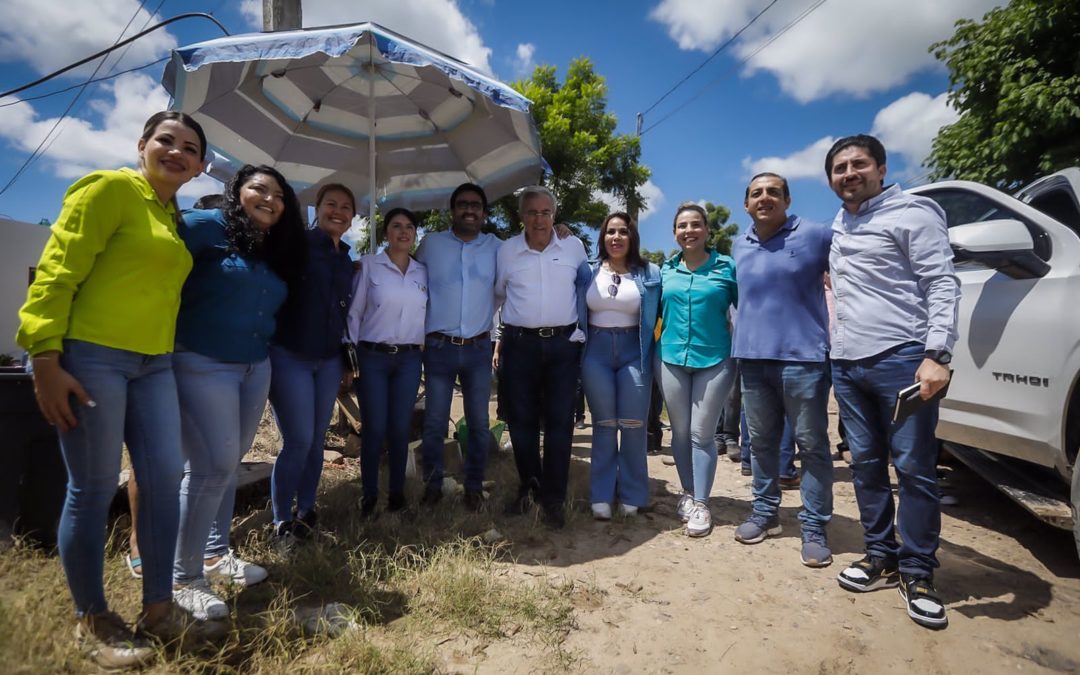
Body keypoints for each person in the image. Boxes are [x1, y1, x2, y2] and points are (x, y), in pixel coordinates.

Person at [16, 111, 209, 668]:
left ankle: (158, 608)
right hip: (93, 357)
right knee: (93, 486)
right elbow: (57, 271)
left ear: (199, 167)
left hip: (155, 364)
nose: (177, 152)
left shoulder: (173, 218)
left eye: (190, 148)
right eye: (166, 141)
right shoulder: (108, 189)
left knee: (162, 480)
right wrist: (44, 357)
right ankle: (93, 618)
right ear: (142, 144)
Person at [825, 135, 959, 629]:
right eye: (839, 168)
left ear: (881, 168)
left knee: (915, 468)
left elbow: (942, 282)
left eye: (858, 164)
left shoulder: (913, 212)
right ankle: (879, 554)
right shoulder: (840, 223)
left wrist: (937, 354)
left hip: (903, 359)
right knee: (864, 465)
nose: (848, 173)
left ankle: (919, 571)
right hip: (847, 362)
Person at [170, 165, 306, 620]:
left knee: (229, 463)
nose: (269, 199)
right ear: (237, 192)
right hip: (202, 361)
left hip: (255, 365)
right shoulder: (205, 226)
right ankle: (184, 578)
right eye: (258, 189)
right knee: (210, 467)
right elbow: (157, 267)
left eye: (278, 195)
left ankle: (215, 552)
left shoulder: (274, 247)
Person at [729, 173, 835, 567]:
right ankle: (765, 512)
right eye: (756, 193)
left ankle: (814, 526)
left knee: (811, 446)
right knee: (762, 444)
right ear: (746, 204)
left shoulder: (816, 235)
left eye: (773, 191)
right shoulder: (739, 243)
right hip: (753, 361)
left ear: (788, 199)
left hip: (803, 359)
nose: (765, 197)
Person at [269, 183, 356, 549]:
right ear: (316, 208)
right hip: (291, 355)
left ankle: (306, 511)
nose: (338, 211)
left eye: (346, 207)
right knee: (298, 440)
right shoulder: (297, 246)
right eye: (330, 204)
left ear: (354, 217)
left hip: (330, 360)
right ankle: (280, 521)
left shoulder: (347, 259)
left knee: (316, 441)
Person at [496, 185, 588, 528]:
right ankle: (529, 487)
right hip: (520, 344)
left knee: (560, 423)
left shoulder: (573, 246)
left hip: (564, 345)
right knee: (521, 422)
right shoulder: (506, 252)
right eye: (532, 212)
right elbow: (497, 294)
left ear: (554, 215)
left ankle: (554, 499)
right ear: (522, 217)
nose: (539, 219)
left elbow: (585, 285)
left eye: (545, 212)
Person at [414, 183, 500, 510]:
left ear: (484, 212)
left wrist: (561, 230)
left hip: (479, 347)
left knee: (478, 422)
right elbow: (411, 278)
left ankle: (473, 486)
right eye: (462, 204)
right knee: (435, 421)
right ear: (452, 210)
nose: (469, 210)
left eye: (476, 205)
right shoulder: (431, 244)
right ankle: (433, 485)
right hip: (439, 347)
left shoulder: (497, 247)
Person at [655, 203, 738, 538]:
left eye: (695, 225)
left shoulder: (727, 267)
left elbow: (748, 308)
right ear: (674, 232)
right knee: (679, 431)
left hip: (715, 359)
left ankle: (702, 504)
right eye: (681, 226)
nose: (688, 231)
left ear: (706, 230)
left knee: (701, 434)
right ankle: (688, 493)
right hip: (670, 358)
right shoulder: (665, 270)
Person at [579, 212, 661, 519]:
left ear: (632, 237)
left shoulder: (650, 272)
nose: (616, 237)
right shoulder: (587, 270)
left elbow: (665, 310)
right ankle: (600, 493)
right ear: (602, 237)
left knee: (633, 424)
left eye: (623, 232)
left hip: (634, 351)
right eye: (610, 231)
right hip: (595, 352)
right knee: (603, 423)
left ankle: (632, 493)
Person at [347, 207, 427, 516]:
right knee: (375, 428)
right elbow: (354, 313)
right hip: (372, 358)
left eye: (409, 226)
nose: (403, 231)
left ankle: (396, 495)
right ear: (386, 233)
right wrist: (349, 356)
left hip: (408, 359)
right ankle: (368, 496)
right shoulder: (368, 266)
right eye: (396, 226)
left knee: (399, 428)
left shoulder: (423, 272)